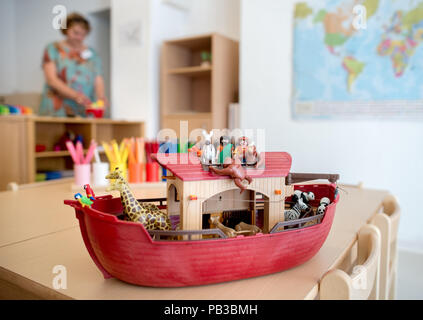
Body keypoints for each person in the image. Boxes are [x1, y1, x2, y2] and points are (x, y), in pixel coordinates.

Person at [39, 12, 107, 117]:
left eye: (83, 34)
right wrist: (75, 96)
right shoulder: (53, 49)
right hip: (58, 106)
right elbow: (51, 79)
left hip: (84, 107)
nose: (79, 37)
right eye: (76, 33)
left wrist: (101, 98)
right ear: (66, 30)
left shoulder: (92, 54)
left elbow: (98, 78)